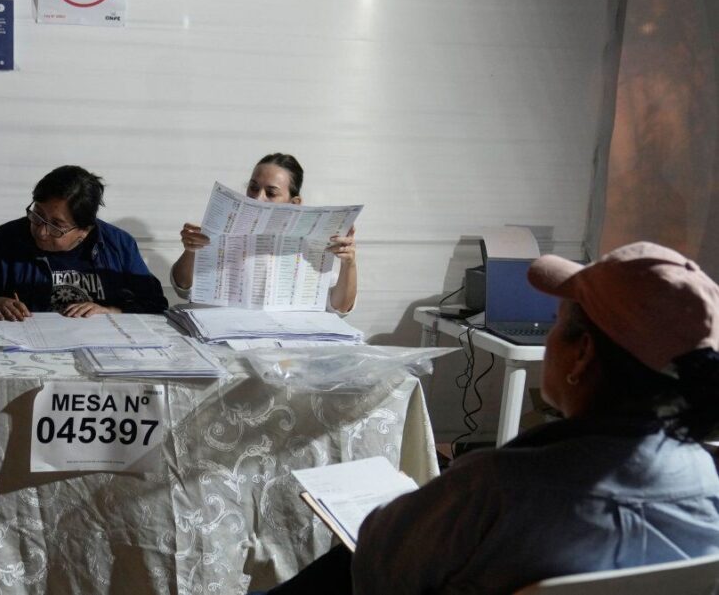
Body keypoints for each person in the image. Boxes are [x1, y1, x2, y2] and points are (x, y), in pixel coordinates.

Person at [256, 241, 719, 594]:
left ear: (582, 354)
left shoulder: (498, 489)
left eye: (558, 320)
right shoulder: (706, 480)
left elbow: (377, 569)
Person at [0, 165, 169, 319]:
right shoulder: (7, 238)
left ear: (84, 229)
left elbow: (155, 304)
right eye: (37, 216)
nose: (41, 231)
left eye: (56, 226)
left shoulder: (118, 245)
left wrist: (112, 312)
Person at [169, 153, 357, 314]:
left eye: (271, 193)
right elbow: (183, 287)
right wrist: (191, 250)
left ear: (295, 203)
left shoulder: (309, 245)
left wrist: (349, 264)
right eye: (253, 187)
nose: (258, 197)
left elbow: (340, 307)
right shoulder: (222, 232)